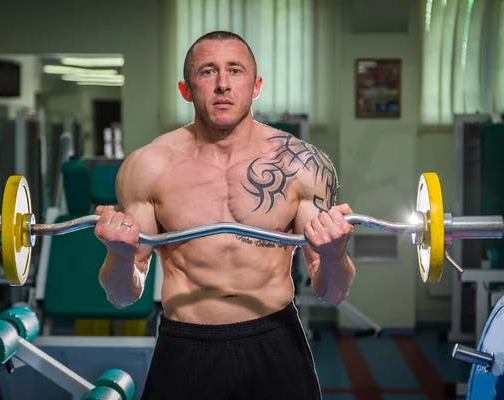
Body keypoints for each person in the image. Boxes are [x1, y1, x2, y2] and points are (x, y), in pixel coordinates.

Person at [94, 30, 356, 400]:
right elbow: (122, 295)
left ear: (256, 85)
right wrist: (120, 256)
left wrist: (334, 255)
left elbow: (334, 293)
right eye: (207, 72)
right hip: (185, 347)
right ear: (186, 89)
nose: (222, 85)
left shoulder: (301, 164)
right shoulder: (148, 166)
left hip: (276, 343)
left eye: (235, 70)